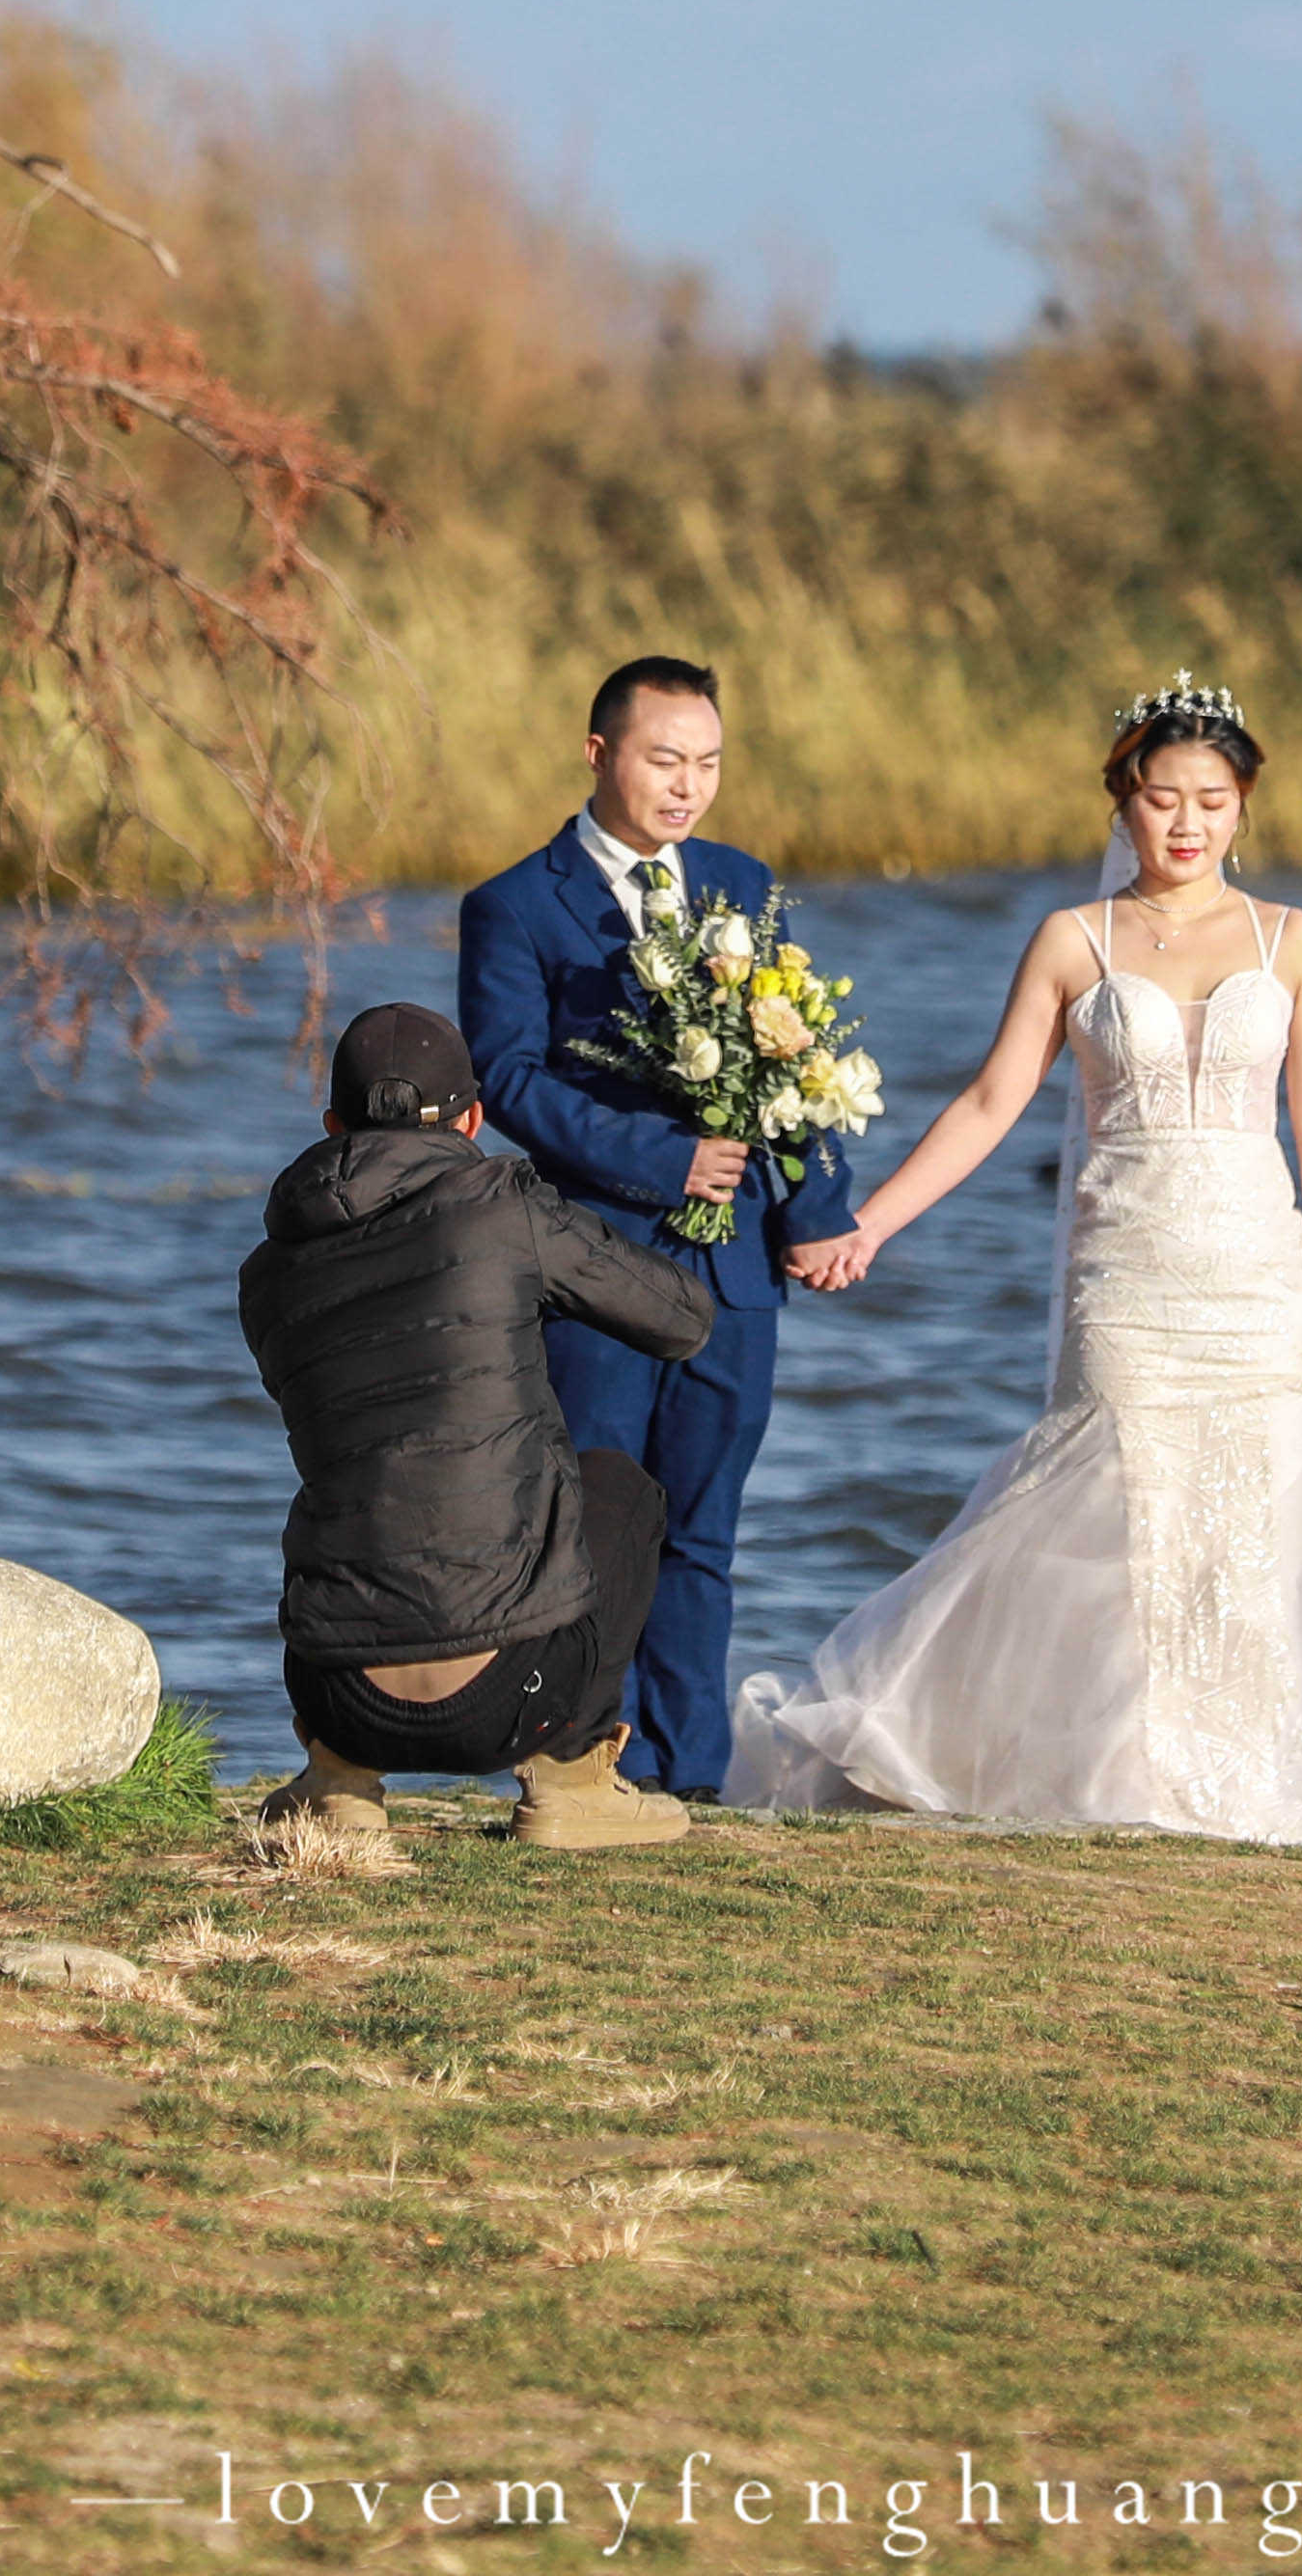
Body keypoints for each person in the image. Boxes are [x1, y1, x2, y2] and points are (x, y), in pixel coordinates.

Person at [727, 679, 1302, 1843]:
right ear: (1122, 799)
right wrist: (872, 1223)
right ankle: (1101, 1778)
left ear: (1244, 806)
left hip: (1256, 1272)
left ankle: (1231, 1801)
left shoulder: (1294, 940)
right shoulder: (1075, 940)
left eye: (1212, 801)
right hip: (1127, 1272)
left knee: (1244, 1537)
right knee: (1110, 1524)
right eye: (1162, 796)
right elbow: (990, 1102)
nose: (1186, 822)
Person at [456, 656, 859, 1800]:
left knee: (702, 1532)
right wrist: (660, 1158)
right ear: (600, 755)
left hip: (734, 1270)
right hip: (592, 1258)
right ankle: (579, 1767)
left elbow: (798, 1061)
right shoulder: (516, 903)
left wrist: (818, 1212)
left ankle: (690, 1781)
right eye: (665, 759)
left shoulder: (742, 881)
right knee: (591, 1519)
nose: (688, 786)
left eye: (709, 763)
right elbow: (508, 1078)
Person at [232, 1004, 711, 1854]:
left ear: (333, 1126)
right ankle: (571, 1781)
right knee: (617, 1487)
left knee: (357, 1483)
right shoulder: (501, 1205)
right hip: (511, 1698)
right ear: (474, 1121)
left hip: (341, 1693)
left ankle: (338, 1781)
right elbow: (681, 1319)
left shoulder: (269, 1271)